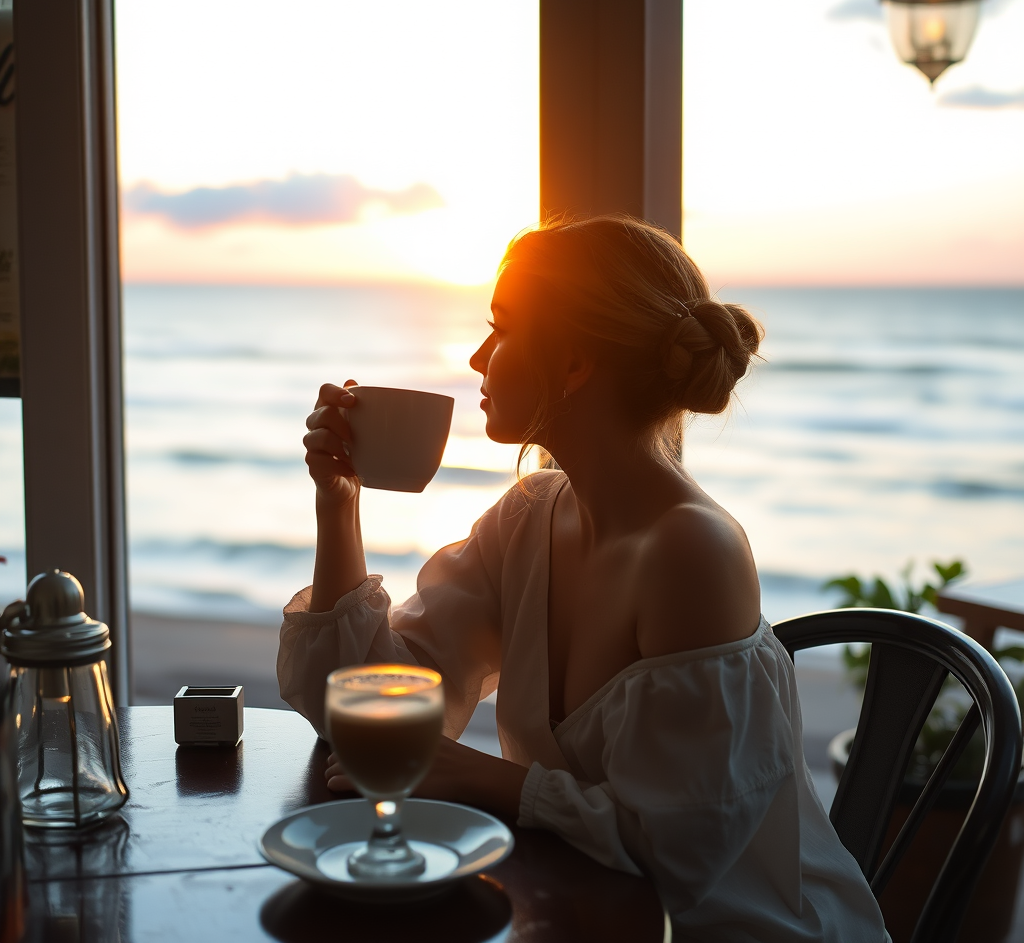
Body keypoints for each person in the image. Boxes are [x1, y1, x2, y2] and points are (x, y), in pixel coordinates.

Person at [278, 216, 888, 941]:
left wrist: (481, 777)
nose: (477, 357)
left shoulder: (693, 550)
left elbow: (686, 856)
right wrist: (338, 506)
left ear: (572, 364)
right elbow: (363, 710)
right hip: (573, 913)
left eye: (500, 329)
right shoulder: (529, 517)